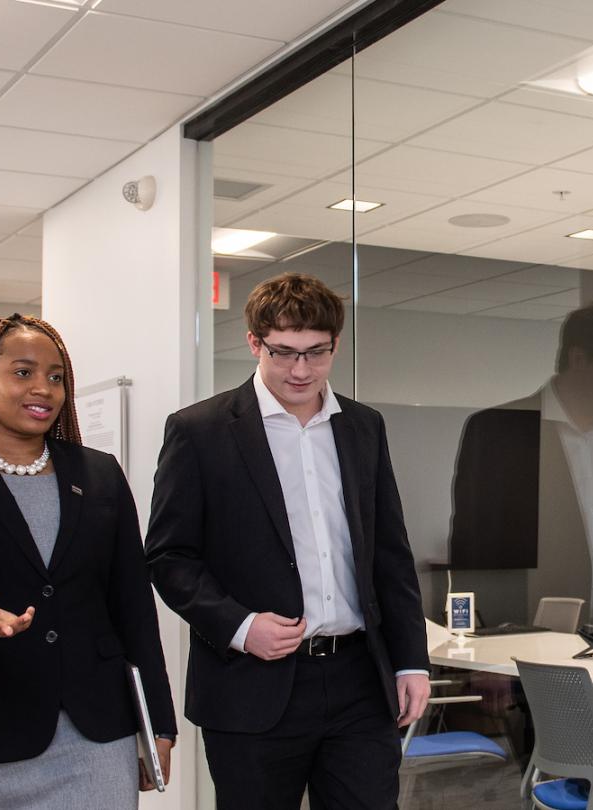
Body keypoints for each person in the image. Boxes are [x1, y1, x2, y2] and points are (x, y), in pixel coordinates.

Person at [144, 272, 431, 808]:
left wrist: (410, 661)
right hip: (251, 684)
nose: (301, 370)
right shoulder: (200, 431)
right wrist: (240, 625)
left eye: (316, 353)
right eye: (284, 353)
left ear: (335, 345)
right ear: (254, 343)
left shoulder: (363, 427)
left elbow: (390, 554)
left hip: (358, 682)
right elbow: (168, 556)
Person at [0, 315, 178, 809]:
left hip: (98, 732)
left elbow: (134, 609)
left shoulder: (99, 474)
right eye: (23, 372)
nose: (44, 389)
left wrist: (158, 720)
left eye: (56, 377)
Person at [446, 302, 593, 627]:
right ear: (578, 359)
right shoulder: (499, 430)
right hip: (527, 634)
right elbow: (474, 545)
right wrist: (482, 634)